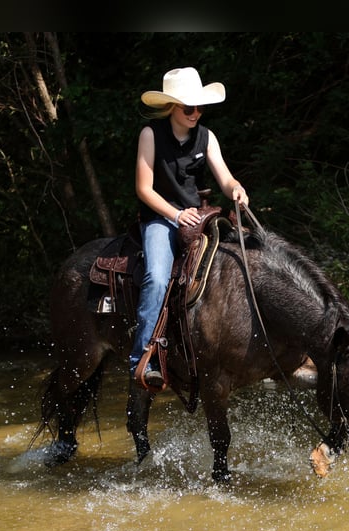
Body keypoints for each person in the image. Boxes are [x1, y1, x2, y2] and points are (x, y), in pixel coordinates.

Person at [129, 66, 249, 388]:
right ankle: (143, 356)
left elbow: (224, 177)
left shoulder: (207, 137)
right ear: (172, 107)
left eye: (199, 107)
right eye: (189, 107)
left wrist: (236, 188)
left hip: (199, 217)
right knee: (156, 278)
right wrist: (176, 215)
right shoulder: (150, 135)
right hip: (161, 218)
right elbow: (144, 189)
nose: (196, 113)